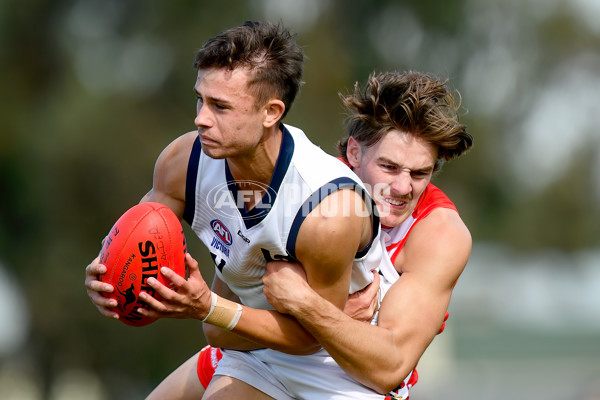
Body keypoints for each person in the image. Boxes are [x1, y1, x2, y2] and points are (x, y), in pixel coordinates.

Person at [85, 20, 400, 399]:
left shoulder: (327, 211)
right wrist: (107, 278)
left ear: (271, 113)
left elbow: (308, 340)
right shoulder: (182, 162)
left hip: (335, 363)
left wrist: (210, 308)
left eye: (220, 106)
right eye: (200, 99)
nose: (201, 117)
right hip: (253, 348)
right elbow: (135, 241)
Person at [145, 70, 474, 399]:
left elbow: (386, 369)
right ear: (355, 154)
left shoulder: (440, 234)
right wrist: (326, 319)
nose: (402, 187)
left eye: (420, 173)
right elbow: (218, 330)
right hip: (264, 351)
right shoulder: (310, 191)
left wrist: (307, 307)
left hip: (351, 382)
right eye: (388, 167)